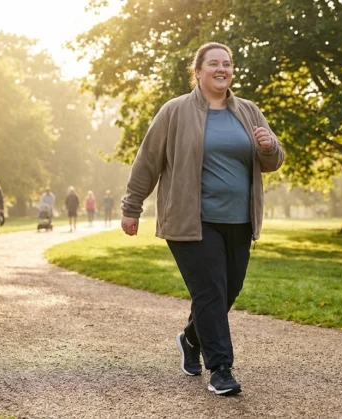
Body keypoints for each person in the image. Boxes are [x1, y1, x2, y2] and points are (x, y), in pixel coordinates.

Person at [120, 42, 285, 396]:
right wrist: (132, 206)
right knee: (210, 291)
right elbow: (147, 160)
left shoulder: (248, 111)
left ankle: (190, 337)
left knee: (228, 290)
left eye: (227, 63)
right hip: (191, 221)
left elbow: (272, 160)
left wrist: (270, 146)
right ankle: (221, 369)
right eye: (213, 63)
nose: (221, 69)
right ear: (198, 71)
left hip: (239, 220)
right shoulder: (175, 111)